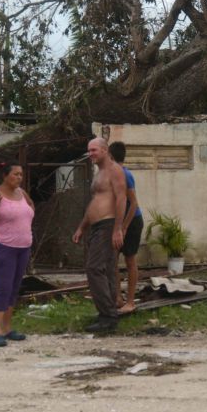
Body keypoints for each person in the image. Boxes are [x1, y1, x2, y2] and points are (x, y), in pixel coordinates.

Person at [72, 137, 127, 333]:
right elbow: (95, 203)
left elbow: (122, 199)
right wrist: (82, 227)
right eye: (89, 150)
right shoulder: (98, 173)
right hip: (96, 226)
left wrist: (118, 228)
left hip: (108, 225)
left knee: (94, 268)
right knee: (106, 269)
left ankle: (107, 315)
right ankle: (109, 315)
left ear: (104, 150)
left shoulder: (115, 171)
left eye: (94, 150)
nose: (91, 154)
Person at [0, 161, 35, 347]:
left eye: (21, 174)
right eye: (15, 174)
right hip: (2, 246)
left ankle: (8, 327)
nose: (19, 177)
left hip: (23, 247)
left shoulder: (22, 193)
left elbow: (30, 208)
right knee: (2, 287)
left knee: (14, 287)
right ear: (5, 176)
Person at [108, 141, 144, 314]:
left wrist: (124, 228)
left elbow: (133, 203)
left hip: (132, 221)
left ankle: (130, 301)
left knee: (130, 260)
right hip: (118, 223)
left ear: (112, 157)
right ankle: (117, 297)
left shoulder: (125, 175)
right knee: (112, 260)